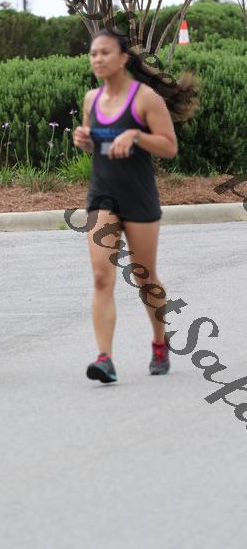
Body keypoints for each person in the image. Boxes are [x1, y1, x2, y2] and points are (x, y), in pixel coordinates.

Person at [73, 28, 198, 383]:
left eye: (105, 53)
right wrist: (84, 139)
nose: (98, 59)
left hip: (139, 196)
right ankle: (105, 358)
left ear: (123, 58)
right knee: (101, 276)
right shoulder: (91, 99)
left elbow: (169, 147)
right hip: (102, 195)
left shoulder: (145, 99)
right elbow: (94, 144)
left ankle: (160, 342)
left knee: (145, 278)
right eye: (93, 53)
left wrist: (136, 135)